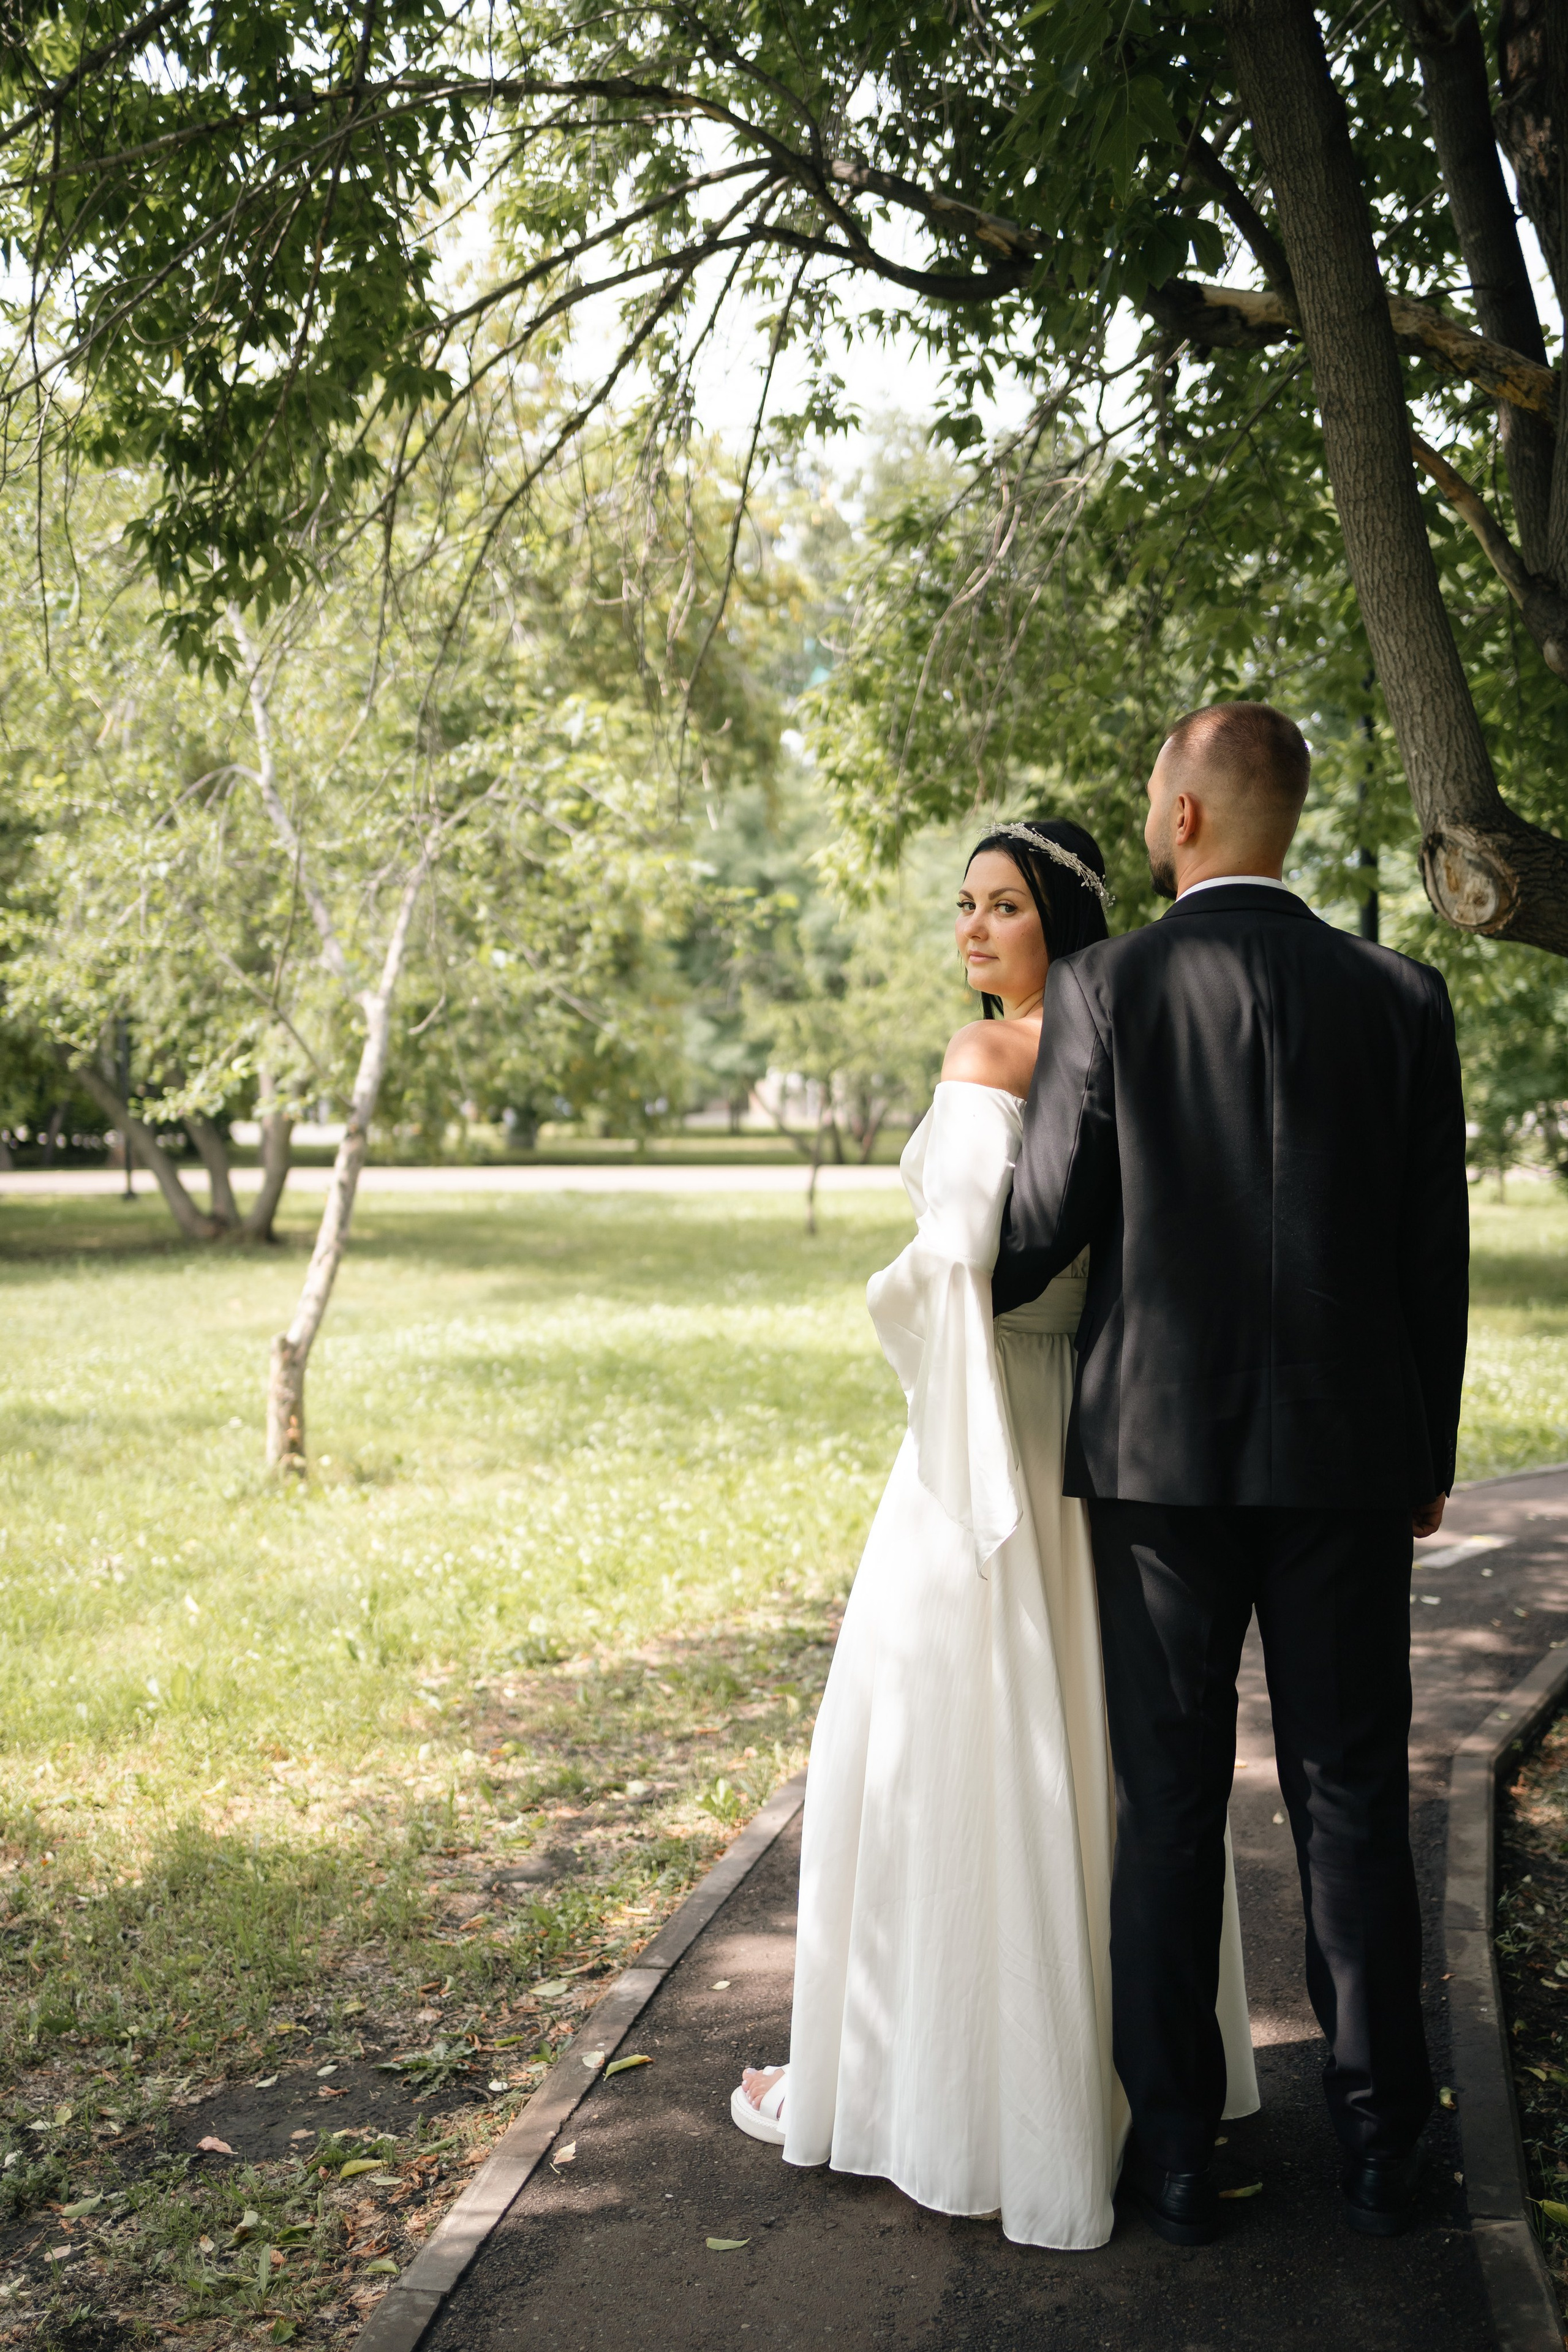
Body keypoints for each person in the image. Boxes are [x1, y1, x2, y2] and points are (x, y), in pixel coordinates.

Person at [730, 817, 1257, 2250]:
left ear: (1061, 926)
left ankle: (925, 2085)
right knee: (1093, 1763)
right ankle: (1105, 2090)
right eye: (962, 906)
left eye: (1003, 907)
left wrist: (885, 1296)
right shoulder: (1138, 1058)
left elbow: (960, 1265)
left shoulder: (988, 1059)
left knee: (933, 1754)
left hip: (989, 1435)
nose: (971, 931)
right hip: (1096, 1433)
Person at [992, 703, 1468, 2246]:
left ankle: (1180, 2160)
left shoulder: (1104, 985)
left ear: (1186, 817)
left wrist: (951, 1272)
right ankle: (1390, 2146)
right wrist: (1425, 1454)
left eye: (1151, 790)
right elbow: (1429, 1263)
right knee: (1350, 1801)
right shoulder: (1401, 996)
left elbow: (1048, 1219)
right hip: (1345, 1463)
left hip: (1155, 1466)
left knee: (1169, 1810)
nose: (1144, 809)